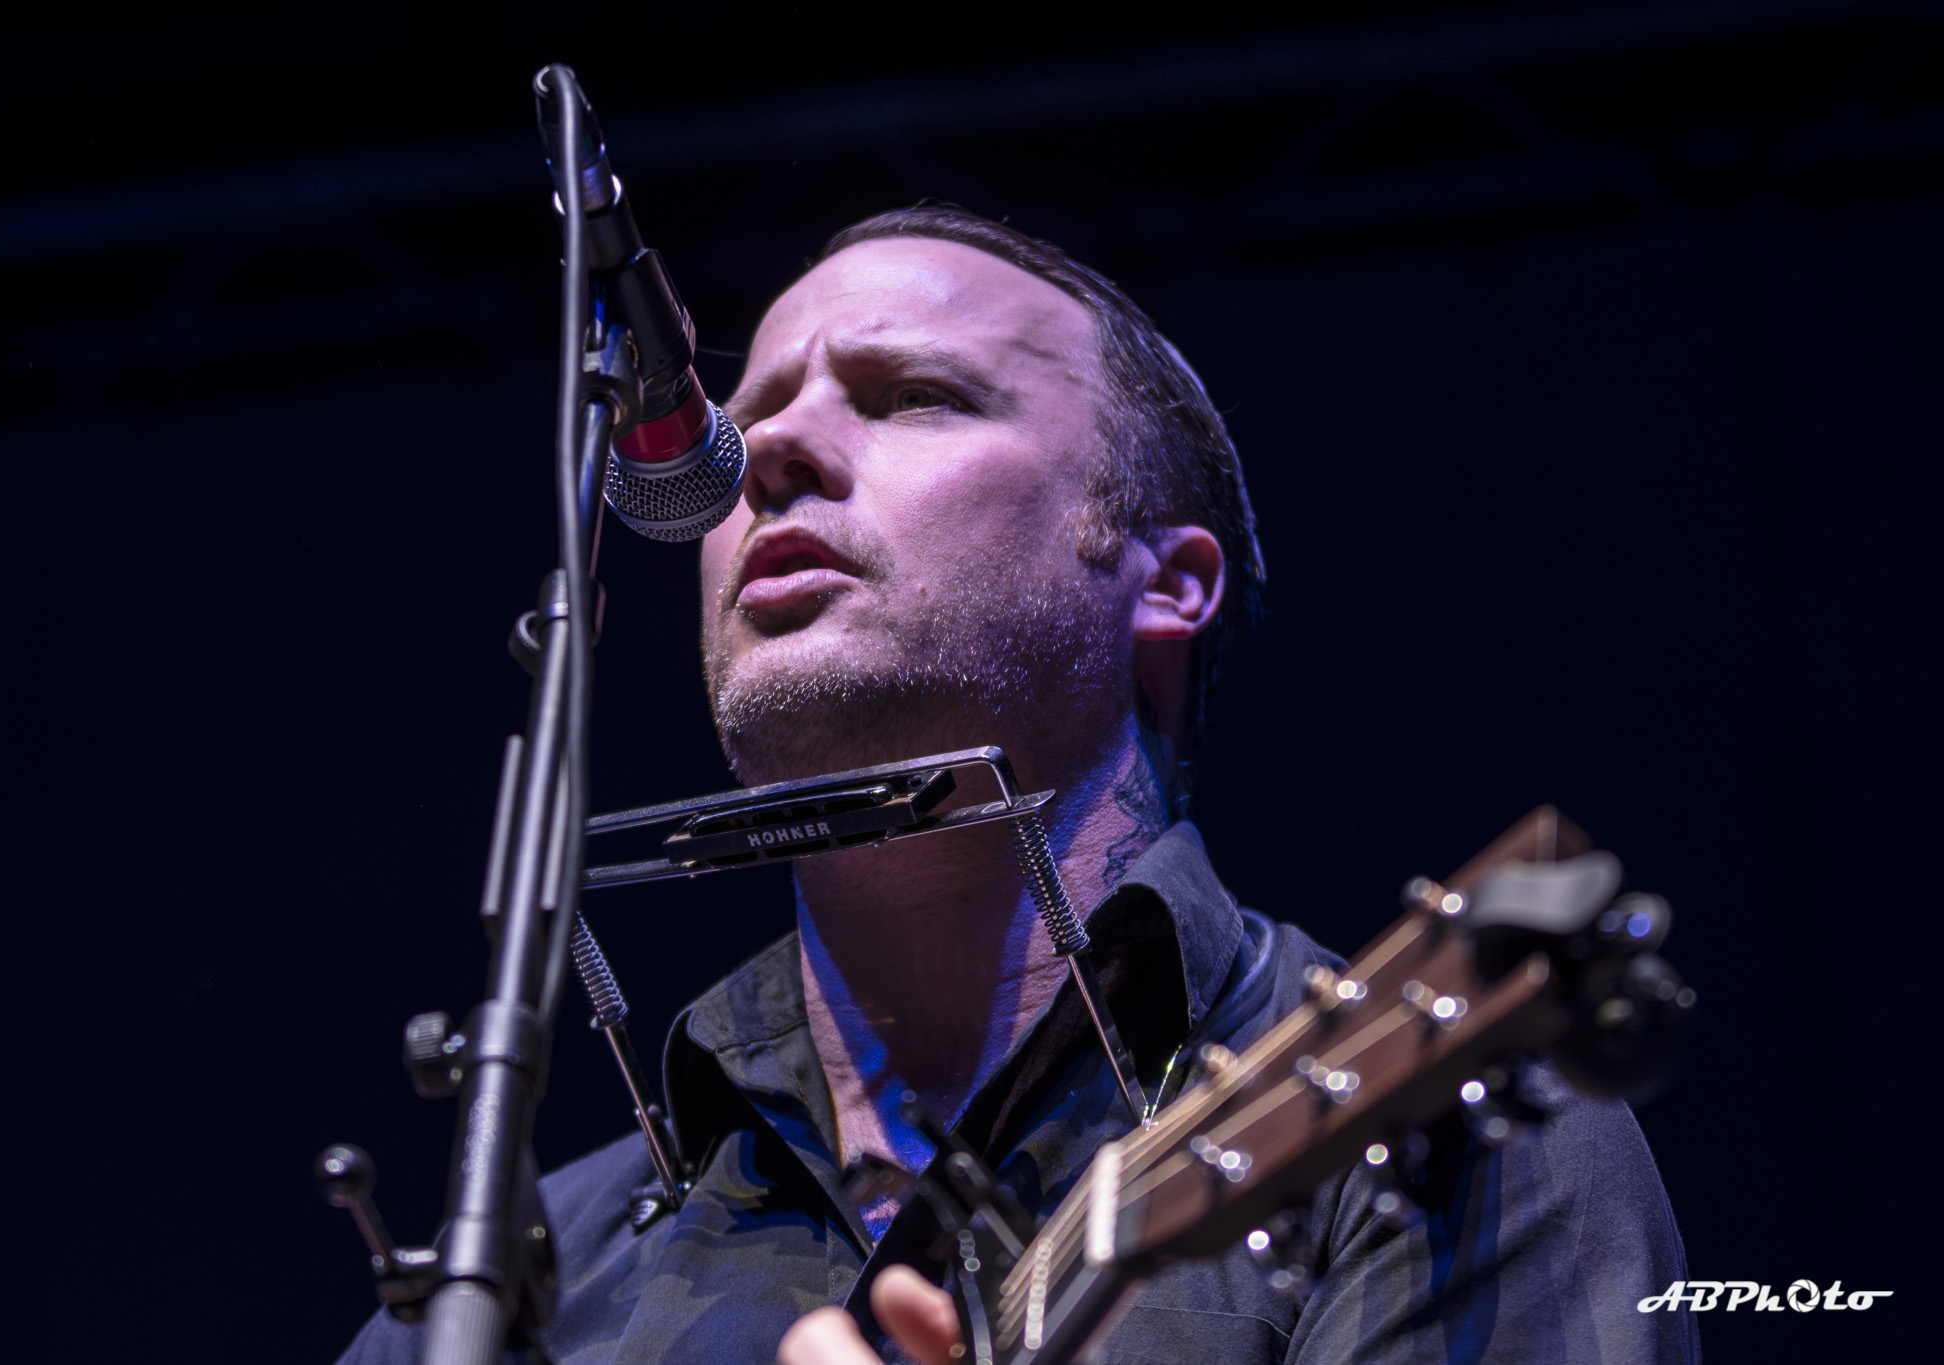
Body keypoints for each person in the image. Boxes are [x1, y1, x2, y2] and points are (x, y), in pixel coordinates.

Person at [338, 206, 1695, 1364]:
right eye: (742, 425)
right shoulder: (508, 1296)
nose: (769, 457)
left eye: (915, 395)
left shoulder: (1434, 1132)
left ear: (1167, 581)